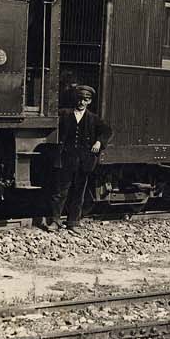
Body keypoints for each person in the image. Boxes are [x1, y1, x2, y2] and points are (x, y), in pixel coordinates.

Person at [36, 84, 112, 232]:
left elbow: (107, 131)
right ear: (76, 99)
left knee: (78, 193)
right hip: (65, 160)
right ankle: (56, 221)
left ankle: (73, 222)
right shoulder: (64, 114)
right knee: (60, 192)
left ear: (89, 102)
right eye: (80, 99)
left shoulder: (93, 118)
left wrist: (99, 142)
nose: (82, 102)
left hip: (84, 162)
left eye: (86, 99)